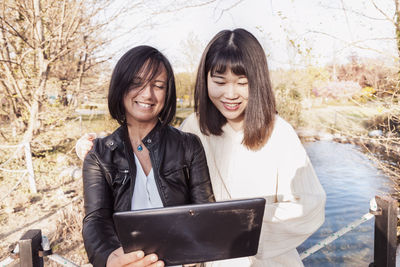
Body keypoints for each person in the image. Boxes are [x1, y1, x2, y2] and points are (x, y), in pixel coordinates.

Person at [77, 29, 326, 267]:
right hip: (208, 260)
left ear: (257, 82)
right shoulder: (194, 126)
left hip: (264, 260)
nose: (230, 94)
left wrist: (231, 233)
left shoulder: (279, 133)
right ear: (205, 79)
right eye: (219, 81)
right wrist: (96, 147)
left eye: (242, 82)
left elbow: (309, 206)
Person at [81, 45, 215, 267]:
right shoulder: (99, 155)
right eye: (136, 83)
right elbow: (95, 219)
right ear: (120, 86)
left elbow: (204, 211)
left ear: (167, 92)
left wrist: (196, 251)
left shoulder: (189, 145)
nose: (147, 94)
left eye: (158, 85)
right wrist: (108, 258)